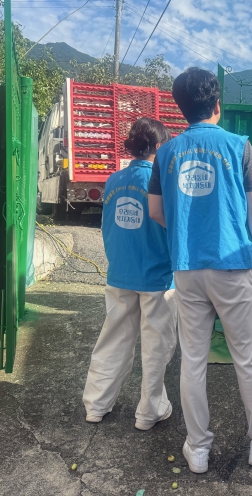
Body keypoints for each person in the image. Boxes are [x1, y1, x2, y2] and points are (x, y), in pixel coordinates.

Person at [148, 67, 252, 473]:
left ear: (181, 108)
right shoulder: (238, 146)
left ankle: (197, 448)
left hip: (186, 268)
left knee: (193, 359)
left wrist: (186, 233)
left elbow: (156, 211)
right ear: (217, 104)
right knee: (246, 357)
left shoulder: (165, 153)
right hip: (231, 264)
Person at [82, 118, 177, 431]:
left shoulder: (114, 180)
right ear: (159, 147)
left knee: (112, 341)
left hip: (120, 273)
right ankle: (149, 411)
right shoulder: (163, 181)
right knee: (156, 346)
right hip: (157, 276)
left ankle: (96, 405)